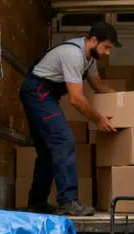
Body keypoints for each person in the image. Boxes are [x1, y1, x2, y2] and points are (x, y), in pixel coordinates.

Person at [21, 22, 121, 216]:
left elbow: (98, 85)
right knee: (63, 140)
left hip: (44, 95)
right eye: (106, 47)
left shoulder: (90, 59)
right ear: (93, 40)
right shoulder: (73, 54)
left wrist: (125, 100)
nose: (108, 52)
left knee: (48, 150)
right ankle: (68, 201)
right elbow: (76, 98)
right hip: (37, 92)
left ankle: (37, 202)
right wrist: (99, 119)